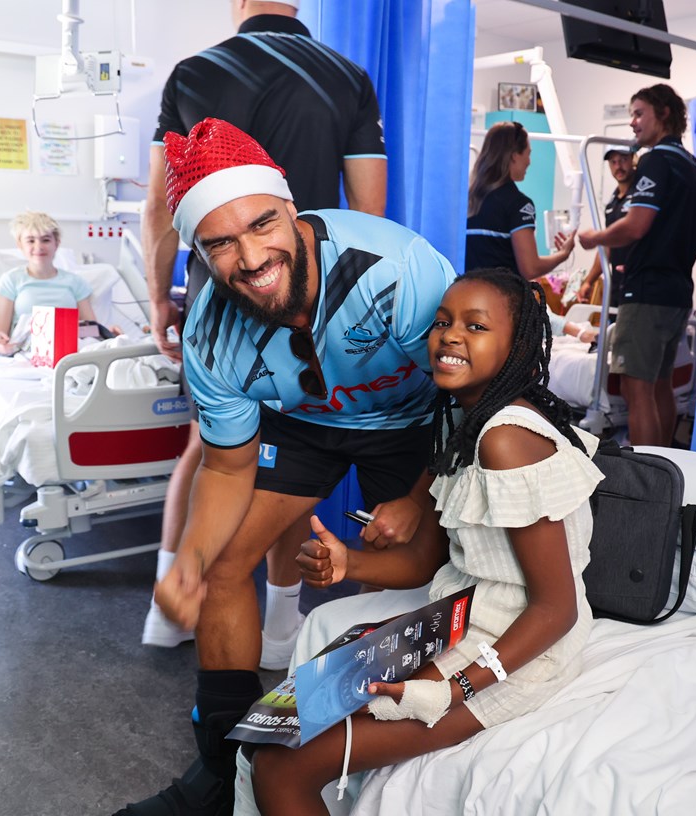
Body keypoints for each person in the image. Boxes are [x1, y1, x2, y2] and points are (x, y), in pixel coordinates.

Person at [114, 118, 455, 816]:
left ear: (292, 211)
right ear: (202, 253)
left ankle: (407, 750)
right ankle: (222, 771)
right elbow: (228, 469)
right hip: (305, 426)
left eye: (262, 224)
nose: (250, 255)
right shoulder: (209, 332)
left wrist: (419, 494)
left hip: (419, 424)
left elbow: (468, 396)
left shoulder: (393, 269)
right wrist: (189, 559)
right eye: (220, 243)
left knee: (434, 566)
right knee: (222, 569)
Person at [248, 267, 604, 814]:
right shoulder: (459, 422)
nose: (450, 335)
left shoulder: (507, 440)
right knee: (275, 730)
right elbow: (422, 561)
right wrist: (349, 563)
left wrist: (454, 686)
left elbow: (557, 609)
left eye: (476, 326)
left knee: (281, 764)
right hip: (455, 620)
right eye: (442, 322)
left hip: (517, 650)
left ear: (518, 346)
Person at [140, 0, 388, 654]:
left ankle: (168, 610)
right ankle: (281, 622)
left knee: (207, 449)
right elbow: (368, 208)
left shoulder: (192, 72)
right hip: (304, 292)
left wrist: (160, 301)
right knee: (288, 458)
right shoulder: (347, 75)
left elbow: (161, 213)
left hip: (216, 293)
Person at [578, 84, 696, 447]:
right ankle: (669, 465)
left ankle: (644, 479)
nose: (633, 123)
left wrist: (596, 238)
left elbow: (636, 225)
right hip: (677, 293)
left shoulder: (655, 161)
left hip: (646, 292)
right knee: (661, 387)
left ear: (664, 113)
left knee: (637, 392)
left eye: (639, 113)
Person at [465, 121, 576, 282]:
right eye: (528, 154)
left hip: (466, 295)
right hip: (501, 299)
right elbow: (530, 269)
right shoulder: (519, 204)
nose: (529, 161)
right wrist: (563, 254)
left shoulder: (468, 201)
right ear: (514, 155)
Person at [0, 212, 94, 355]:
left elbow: (92, 329)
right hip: (28, 351)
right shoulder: (11, 280)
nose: (38, 247)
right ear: (20, 244)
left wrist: (109, 334)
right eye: (31, 241)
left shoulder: (75, 282)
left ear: (56, 243)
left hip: (69, 350)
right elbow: (0, 331)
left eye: (45, 240)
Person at [576, 147, 638, 306]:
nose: (618, 166)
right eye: (613, 162)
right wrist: (588, 282)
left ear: (633, 159)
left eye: (623, 160)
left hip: (639, 281)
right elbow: (607, 247)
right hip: (616, 286)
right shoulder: (612, 203)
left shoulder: (641, 197)